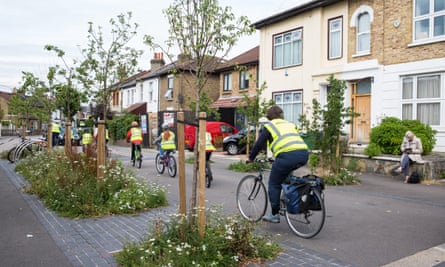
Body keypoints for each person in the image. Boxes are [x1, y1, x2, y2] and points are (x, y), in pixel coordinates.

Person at [247, 105, 309, 223]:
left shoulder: (270, 126)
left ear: (269, 117)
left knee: (274, 183)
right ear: (281, 115)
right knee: (287, 179)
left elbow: (259, 144)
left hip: (287, 157)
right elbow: (290, 142)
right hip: (303, 154)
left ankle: (274, 214)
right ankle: (292, 200)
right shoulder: (290, 124)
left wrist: (251, 158)